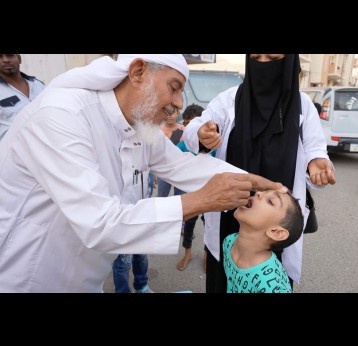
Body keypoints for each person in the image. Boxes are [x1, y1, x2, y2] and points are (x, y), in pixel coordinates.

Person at [0, 54, 286, 293]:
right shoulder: (62, 116)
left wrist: (249, 180)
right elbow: (101, 223)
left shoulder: (138, 124)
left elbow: (182, 165)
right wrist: (200, 201)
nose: (178, 103)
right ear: (138, 71)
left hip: (84, 278)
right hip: (27, 278)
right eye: (174, 88)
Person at [184, 54, 336, 293]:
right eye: (256, 57)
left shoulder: (302, 105)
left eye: (273, 57)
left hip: (275, 217)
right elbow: (194, 129)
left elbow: (316, 149)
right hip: (231, 216)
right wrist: (202, 134)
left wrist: (317, 162)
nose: (263, 64)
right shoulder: (230, 100)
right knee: (223, 277)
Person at [223, 190, 304, 293]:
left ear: (276, 232)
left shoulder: (271, 285)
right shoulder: (229, 242)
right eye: (264, 191)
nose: (258, 193)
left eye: (270, 201)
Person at [176, 104, 209, 271]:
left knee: (210, 225)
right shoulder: (183, 145)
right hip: (192, 193)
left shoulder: (212, 143)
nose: (189, 128)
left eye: (193, 124)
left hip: (211, 193)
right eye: (186, 124)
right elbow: (170, 159)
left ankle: (206, 254)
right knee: (188, 224)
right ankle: (187, 253)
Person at [0, 54, 45, 141]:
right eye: (0, 56)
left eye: (10, 55)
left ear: (19, 59)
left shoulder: (38, 85)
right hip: (13, 151)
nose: (5, 60)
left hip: (46, 144)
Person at [156, 108, 185, 198]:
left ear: (177, 113)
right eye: (167, 113)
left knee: (180, 198)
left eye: (172, 113)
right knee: (161, 197)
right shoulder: (158, 131)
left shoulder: (184, 130)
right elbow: (155, 153)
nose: (170, 116)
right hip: (163, 171)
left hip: (181, 171)